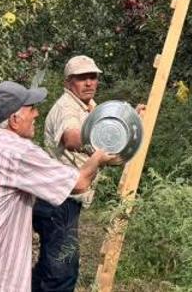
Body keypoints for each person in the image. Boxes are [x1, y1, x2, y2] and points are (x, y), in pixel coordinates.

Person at [0, 80, 121, 292]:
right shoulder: (17, 151)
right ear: (15, 120)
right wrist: (98, 157)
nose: (36, 114)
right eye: (31, 109)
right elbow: (79, 183)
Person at [33, 55, 138, 292]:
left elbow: (106, 122)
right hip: (58, 200)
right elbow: (70, 137)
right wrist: (104, 138)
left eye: (93, 77)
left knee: (49, 266)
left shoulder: (87, 106)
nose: (89, 83)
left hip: (65, 199)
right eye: (82, 78)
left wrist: (131, 118)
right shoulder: (67, 107)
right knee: (62, 272)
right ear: (69, 82)